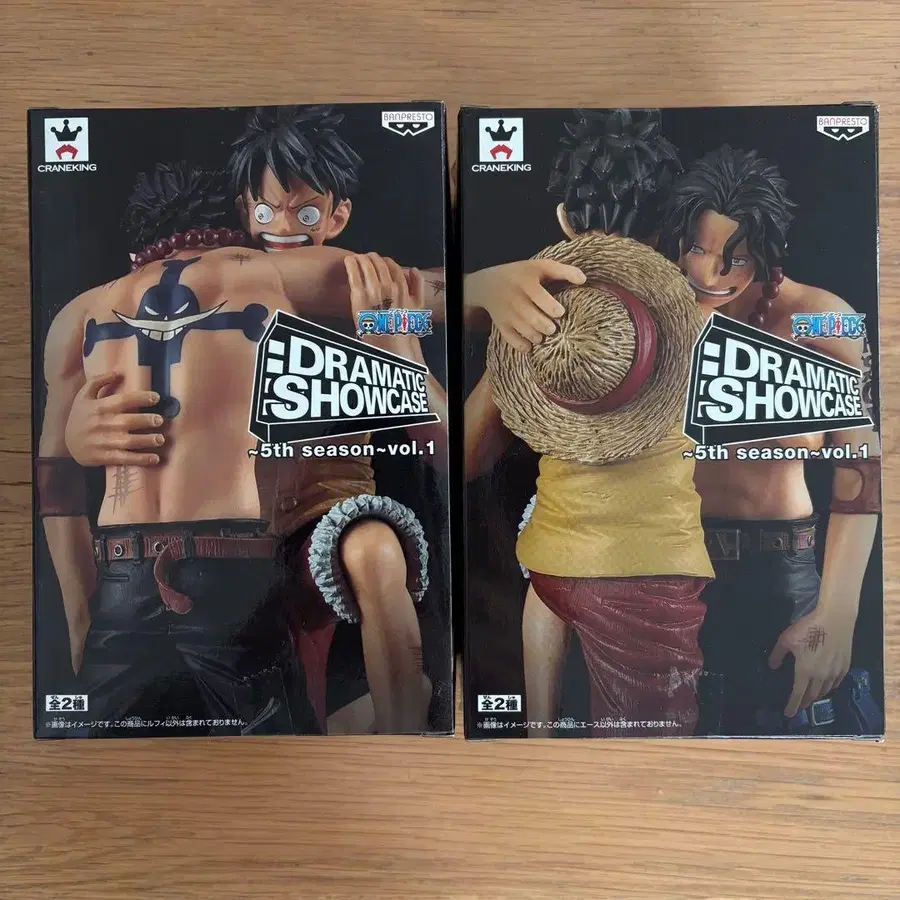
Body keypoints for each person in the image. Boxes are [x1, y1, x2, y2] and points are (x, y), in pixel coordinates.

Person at [38, 162, 438, 735]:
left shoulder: (81, 312)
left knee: (100, 753)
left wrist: (81, 613)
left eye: (301, 212)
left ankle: (398, 718)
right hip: (231, 560)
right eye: (266, 213)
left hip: (135, 570)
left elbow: (55, 481)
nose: (282, 227)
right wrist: (403, 322)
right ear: (236, 221)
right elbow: (429, 294)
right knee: (280, 747)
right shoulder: (267, 274)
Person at [464, 109, 713, 737]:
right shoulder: (703, 317)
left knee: (541, 749)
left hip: (548, 566)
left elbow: (464, 453)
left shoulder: (536, 322)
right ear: (671, 227)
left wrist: (480, 290)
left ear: (564, 219)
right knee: (647, 758)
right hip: (642, 574)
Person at [656, 146, 881, 734]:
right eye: (697, 249)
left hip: (783, 572)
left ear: (766, 253)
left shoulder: (822, 318)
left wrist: (838, 613)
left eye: (734, 258)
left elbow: (861, 464)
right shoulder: (651, 315)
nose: (709, 273)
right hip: (668, 560)